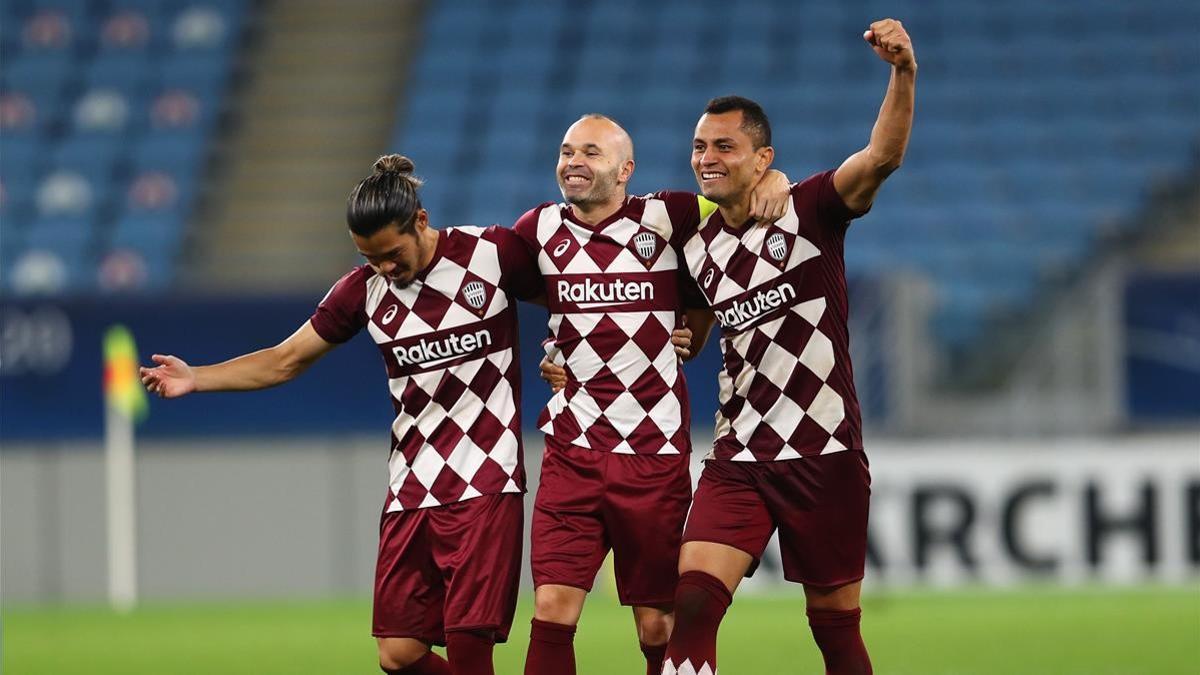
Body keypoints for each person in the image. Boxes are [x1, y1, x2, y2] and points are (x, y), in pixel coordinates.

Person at [139, 155, 542, 675]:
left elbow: (569, 300)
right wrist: (198, 376)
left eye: (392, 254)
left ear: (420, 220)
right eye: (370, 258)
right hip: (412, 486)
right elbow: (285, 360)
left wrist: (567, 350)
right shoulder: (363, 291)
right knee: (398, 653)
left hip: (487, 480)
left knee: (468, 648)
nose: (385, 269)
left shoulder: (491, 253)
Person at [661, 20, 917, 675]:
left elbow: (881, 158)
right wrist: (681, 338)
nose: (706, 157)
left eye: (724, 145)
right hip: (739, 455)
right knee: (690, 603)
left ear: (762, 159)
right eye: (698, 146)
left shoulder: (811, 209)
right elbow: (693, 335)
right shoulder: (698, 247)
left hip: (823, 453)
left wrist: (903, 73)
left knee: (833, 628)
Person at [514, 114, 790, 675]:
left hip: (653, 450)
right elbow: (519, 301)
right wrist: (555, 349)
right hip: (573, 448)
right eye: (567, 151)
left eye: (591, 153)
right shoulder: (536, 230)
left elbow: (738, 199)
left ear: (625, 170)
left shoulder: (670, 215)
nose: (573, 162)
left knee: (657, 623)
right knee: (551, 608)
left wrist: (775, 178)